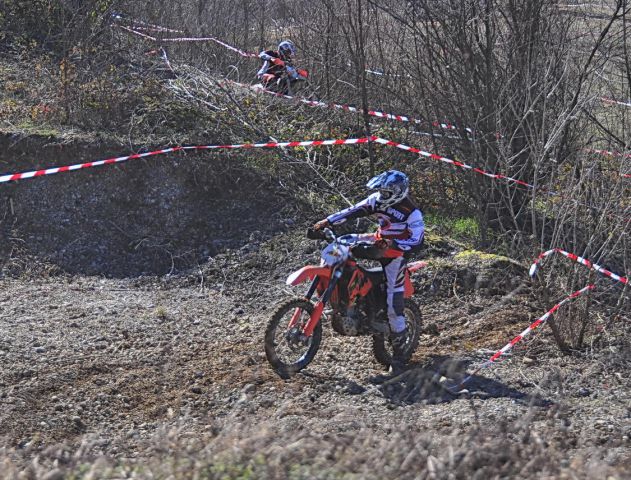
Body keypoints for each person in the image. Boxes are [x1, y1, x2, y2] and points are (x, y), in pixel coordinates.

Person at [313, 170, 424, 376]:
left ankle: (399, 357)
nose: (381, 195)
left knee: (393, 301)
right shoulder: (377, 200)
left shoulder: (412, 212)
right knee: (343, 241)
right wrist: (326, 222)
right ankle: (343, 297)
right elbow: (353, 210)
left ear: (398, 192)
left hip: (396, 253)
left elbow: (417, 241)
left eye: (385, 192)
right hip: (377, 239)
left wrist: (393, 243)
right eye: (380, 191)